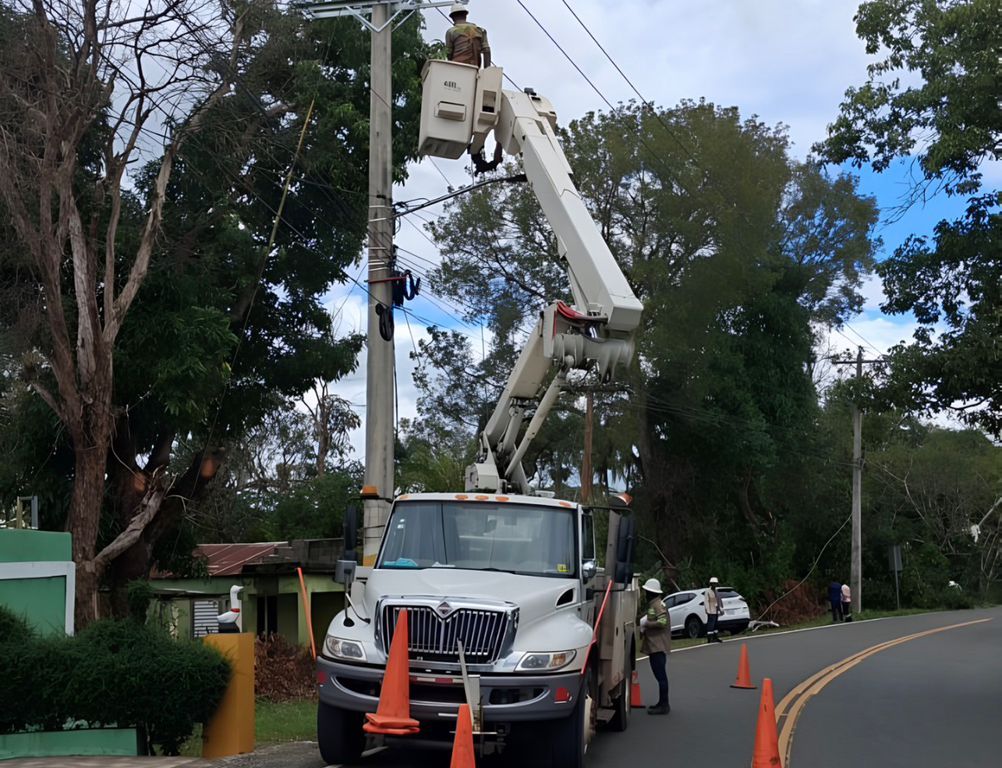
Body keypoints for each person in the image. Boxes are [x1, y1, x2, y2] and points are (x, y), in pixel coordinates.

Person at [639, 578, 671, 715]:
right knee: (659, 676)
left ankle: (664, 705)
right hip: (654, 645)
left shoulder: (658, 605)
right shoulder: (654, 604)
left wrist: (647, 624)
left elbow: (662, 622)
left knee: (661, 676)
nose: (645, 594)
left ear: (651, 593)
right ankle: (661, 702)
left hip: (658, 645)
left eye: (647, 592)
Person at [445, 4, 491, 68]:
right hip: (474, 68)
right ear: (465, 15)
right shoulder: (480, 30)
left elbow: (448, 53)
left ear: (452, 18)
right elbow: (486, 51)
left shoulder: (451, 31)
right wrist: (487, 69)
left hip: (457, 67)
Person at [704, 576, 723, 643]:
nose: (715, 585)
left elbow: (718, 600)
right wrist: (707, 610)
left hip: (716, 610)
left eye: (715, 583)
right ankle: (710, 638)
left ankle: (715, 637)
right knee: (711, 624)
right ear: (711, 584)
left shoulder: (716, 591)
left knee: (715, 624)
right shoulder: (708, 591)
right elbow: (706, 601)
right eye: (713, 583)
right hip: (711, 610)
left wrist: (720, 608)